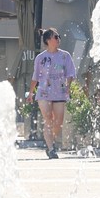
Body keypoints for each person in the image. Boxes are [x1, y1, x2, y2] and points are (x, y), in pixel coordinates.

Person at [26, 28, 76, 159]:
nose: (58, 39)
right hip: (43, 92)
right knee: (48, 118)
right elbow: (35, 76)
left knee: (58, 122)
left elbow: (70, 73)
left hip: (59, 92)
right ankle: (51, 148)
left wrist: (68, 86)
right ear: (48, 40)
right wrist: (31, 93)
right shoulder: (40, 58)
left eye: (59, 37)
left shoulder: (65, 56)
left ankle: (50, 140)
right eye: (56, 37)